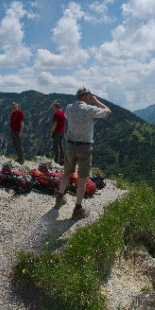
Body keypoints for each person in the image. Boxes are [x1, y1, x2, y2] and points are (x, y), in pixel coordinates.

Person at [56, 88, 111, 219]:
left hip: (70, 145)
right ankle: (78, 209)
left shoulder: (68, 108)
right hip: (84, 147)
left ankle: (59, 199)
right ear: (86, 96)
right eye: (89, 95)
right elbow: (108, 111)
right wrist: (96, 100)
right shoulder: (89, 109)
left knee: (67, 173)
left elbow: (66, 117)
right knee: (82, 178)